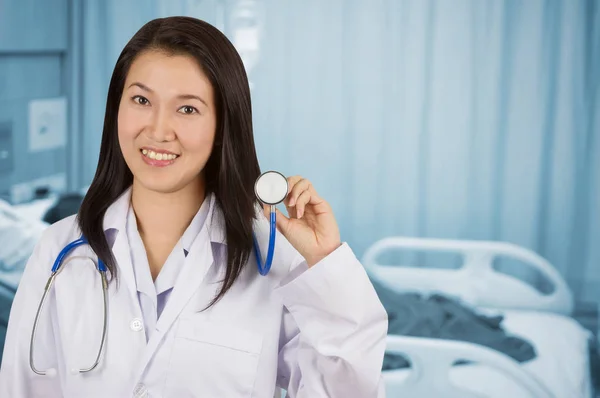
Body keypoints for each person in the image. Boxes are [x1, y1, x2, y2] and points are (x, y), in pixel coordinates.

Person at [0, 16, 388, 397]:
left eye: (187, 109)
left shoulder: (272, 259)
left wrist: (325, 265)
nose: (157, 130)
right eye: (140, 99)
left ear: (224, 124)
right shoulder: (59, 251)